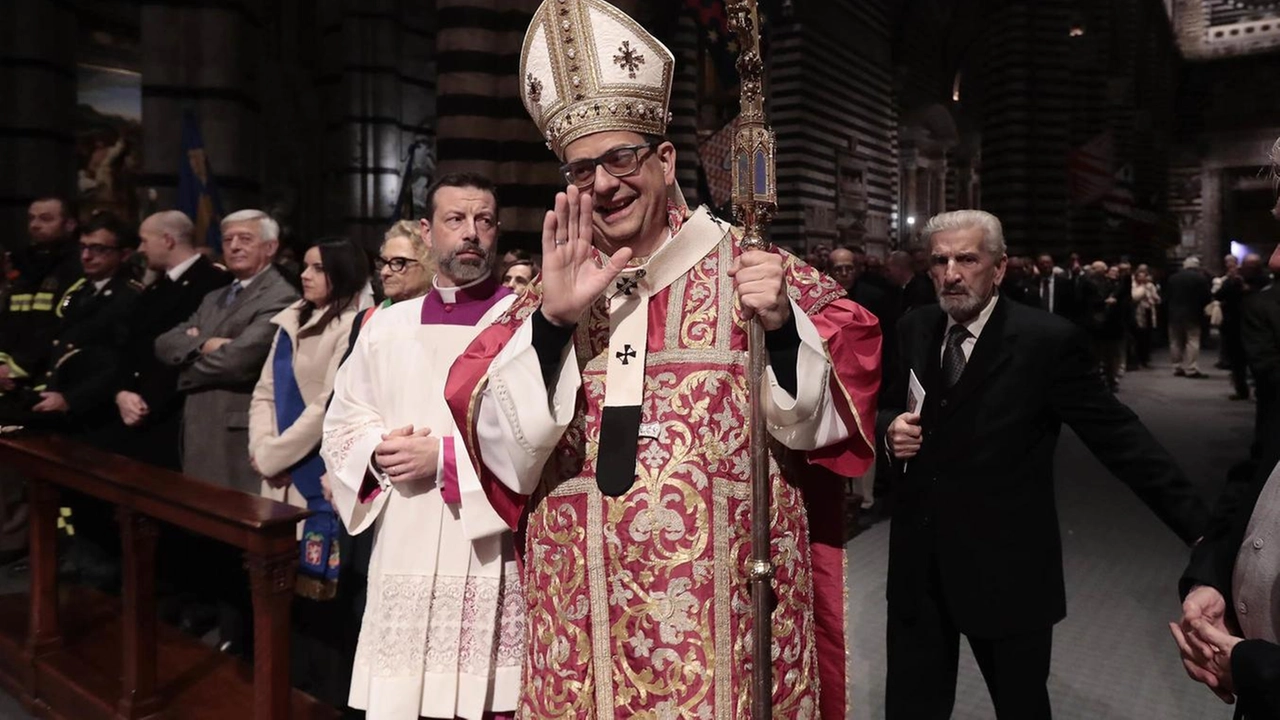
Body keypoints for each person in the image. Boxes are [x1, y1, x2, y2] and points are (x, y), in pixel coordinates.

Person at [444, 2, 882, 716]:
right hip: (579, 632)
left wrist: (779, 329)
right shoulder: (549, 294)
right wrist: (554, 324)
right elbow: (505, 457)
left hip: (722, 635)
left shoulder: (754, 270)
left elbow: (830, 422)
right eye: (581, 171)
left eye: (621, 157)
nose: (605, 185)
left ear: (665, 158)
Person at [879, 210, 1208, 719]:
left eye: (968, 259)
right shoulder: (914, 327)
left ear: (999, 267)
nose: (952, 273)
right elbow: (884, 403)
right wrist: (888, 428)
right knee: (910, 707)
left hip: (1006, 569)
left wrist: (1202, 529)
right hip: (917, 567)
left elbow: (1119, 437)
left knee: (1022, 707)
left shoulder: (1046, 341)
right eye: (940, 260)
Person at [322, 173, 522, 720]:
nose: (471, 234)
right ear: (427, 232)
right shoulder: (386, 327)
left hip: (484, 539)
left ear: (497, 232)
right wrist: (375, 452)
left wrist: (446, 461)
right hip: (404, 530)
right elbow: (343, 419)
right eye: (455, 220)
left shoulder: (522, 324)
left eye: (484, 221)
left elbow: (542, 435)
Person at [248, 237, 368, 705]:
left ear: (340, 272)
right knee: (281, 589)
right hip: (276, 470)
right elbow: (263, 392)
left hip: (312, 471)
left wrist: (276, 454)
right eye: (304, 266)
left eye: (316, 268)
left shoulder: (354, 324)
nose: (304, 275)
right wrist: (263, 448)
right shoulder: (289, 321)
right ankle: (287, 680)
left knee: (323, 596)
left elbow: (327, 405)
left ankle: (325, 692)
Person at [155, 209, 299, 492]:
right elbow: (164, 342)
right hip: (199, 427)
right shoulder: (214, 296)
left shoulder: (281, 296)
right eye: (228, 239)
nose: (234, 246)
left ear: (270, 247)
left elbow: (238, 360)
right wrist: (207, 344)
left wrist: (184, 367)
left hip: (235, 435)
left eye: (245, 239)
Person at [91, 210, 231, 469]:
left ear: (167, 240)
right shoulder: (156, 288)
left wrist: (147, 404)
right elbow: (131, 347)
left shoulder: (214, 283)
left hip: (175, 415)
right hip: (138, 410)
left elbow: (192, 353)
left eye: (144, 240)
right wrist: (122, 392)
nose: (140, 249)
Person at [1167, 256, 1212, 379]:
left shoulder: (1173, 278)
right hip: (1193, 313)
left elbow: (1167, 296)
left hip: (1174, 313)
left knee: (1175, 341)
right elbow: (1207, 297)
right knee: (1192, 340)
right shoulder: (1200, 278)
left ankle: (1176, 367)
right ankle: (1192, 368)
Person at [1132, 265, 1161, 370]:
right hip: (1139, 312)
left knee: (1147, 337)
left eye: (1145, 275)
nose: (1143, 278)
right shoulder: (1135, 285)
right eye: (1140, 276)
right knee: (1139, 337)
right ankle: (1138, 360)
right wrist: (1143, 288)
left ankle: (1145, 359)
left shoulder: (1150, 286)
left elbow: (1157, 298)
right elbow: (1135, 297)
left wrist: (1153, 296)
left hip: (1148, 311)